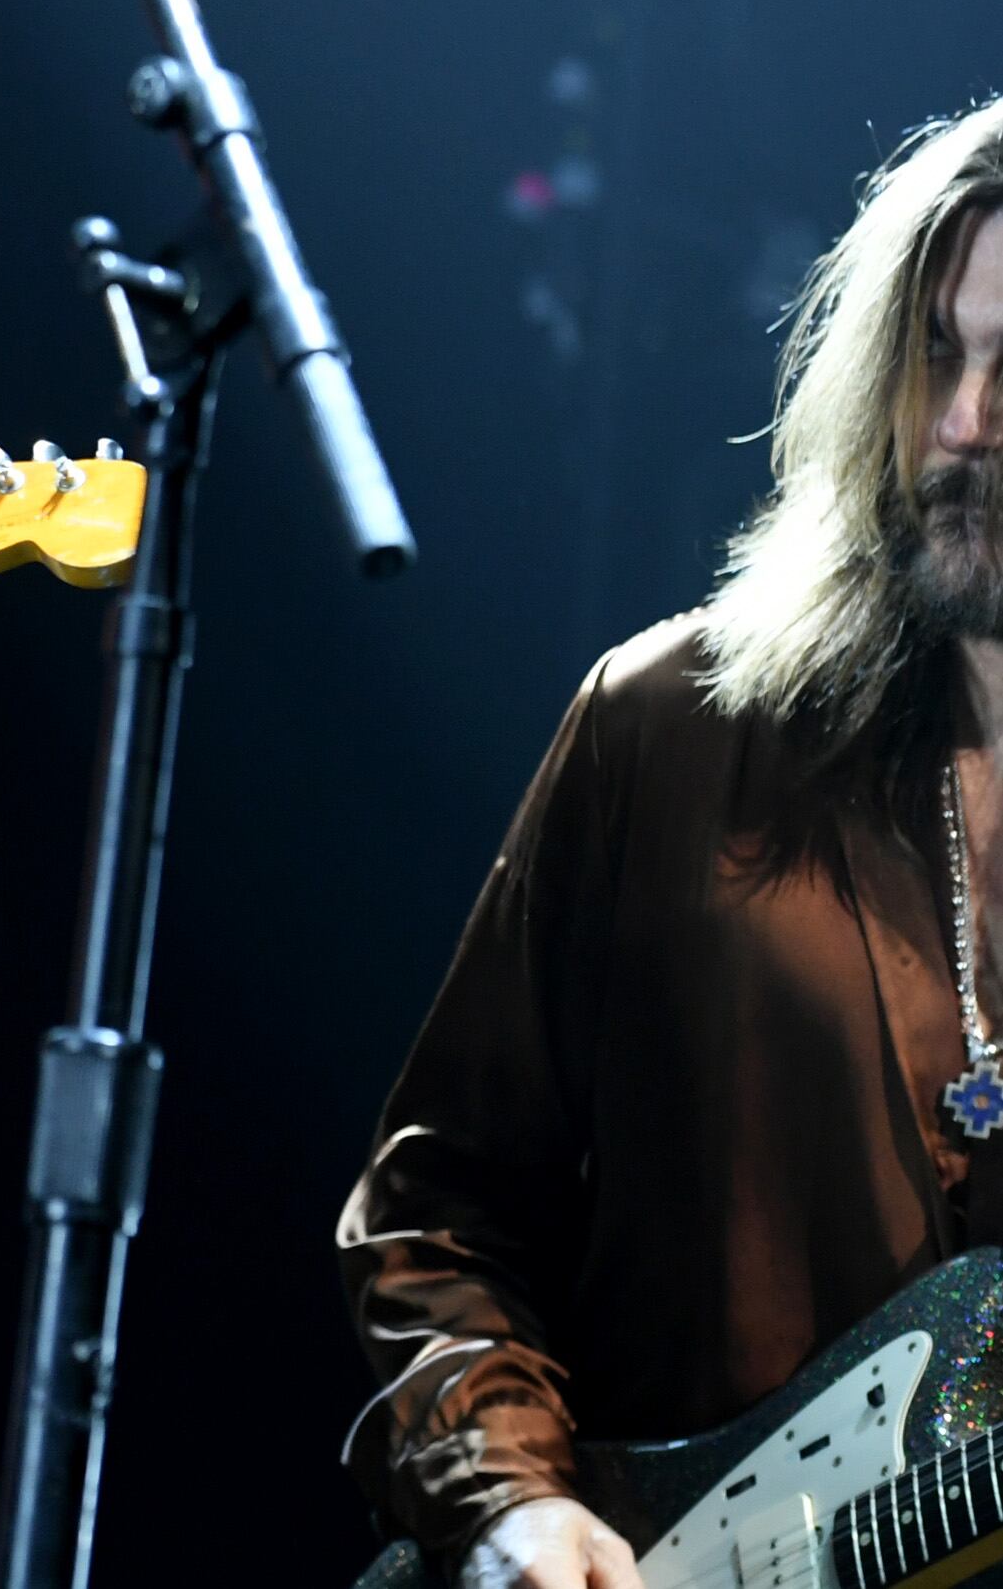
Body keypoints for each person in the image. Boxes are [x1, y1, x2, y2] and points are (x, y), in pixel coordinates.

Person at [338, 96, 1003, 1589]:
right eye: (936, 357)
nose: (961, 426)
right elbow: (439, 1210)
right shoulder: (671, 729)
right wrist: (508, 1498)